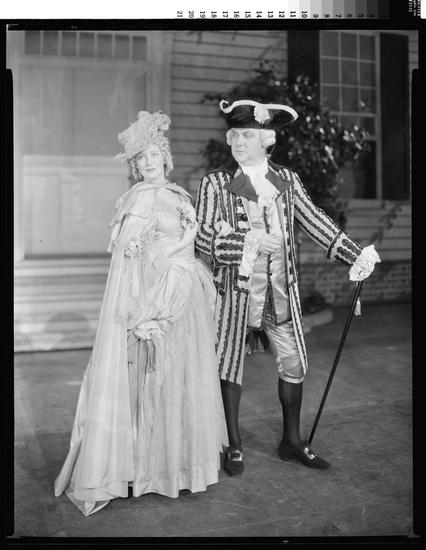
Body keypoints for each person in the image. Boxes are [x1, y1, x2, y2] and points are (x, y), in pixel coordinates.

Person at [54, 111, 228, 515]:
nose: (148, 163)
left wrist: (197, 243)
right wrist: (142, 310)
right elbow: (133, 262)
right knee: (151, 382)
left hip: (185, 301)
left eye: (153, 155)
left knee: (181, 381)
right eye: (141, 158)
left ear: (165, 156)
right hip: (153, 302)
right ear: (134, 165)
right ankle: (143, 471)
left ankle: (175, 468)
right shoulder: (137, 200)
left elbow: (190, 243)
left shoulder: (179, 195)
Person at [194, 99, 380, 477]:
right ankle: (233, 444)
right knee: (228, 364)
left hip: (279, 292)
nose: (238, 142)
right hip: (235, 295)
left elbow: (315, 221)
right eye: (234, 135)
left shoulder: (287, 181)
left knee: (294, 363)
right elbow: (203, 237)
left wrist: (355, 256)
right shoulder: (216, 183)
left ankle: (291, 442)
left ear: (267, 139)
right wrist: (246, 242)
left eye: (248, 135)